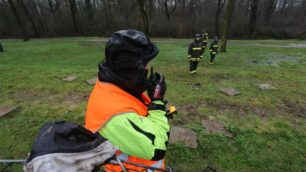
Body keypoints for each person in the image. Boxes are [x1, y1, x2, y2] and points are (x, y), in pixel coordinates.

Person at [85, 30, 170, 172]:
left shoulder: (111, 83)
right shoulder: (117, 117)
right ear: (130, 69)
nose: (147, 69)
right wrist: (157, 102)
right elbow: (157, 147)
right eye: (145, 64)